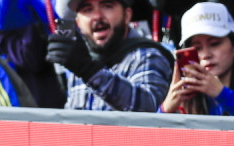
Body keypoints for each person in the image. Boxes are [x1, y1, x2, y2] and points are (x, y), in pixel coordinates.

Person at [45, 0, 174, 111]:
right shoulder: (79, 60)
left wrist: (89, 71)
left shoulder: (148, 55)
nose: (97, 16)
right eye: (87, 9)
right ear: (78, 23)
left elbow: (148, 108)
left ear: (127, 15)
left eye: (107, 6)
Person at [160, 2, 234, 114]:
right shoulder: (184, 101)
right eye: (197, 48)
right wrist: (165, 110)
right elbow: (149, 132)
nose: (206, 54)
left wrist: (222, 94)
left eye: (214, 44)